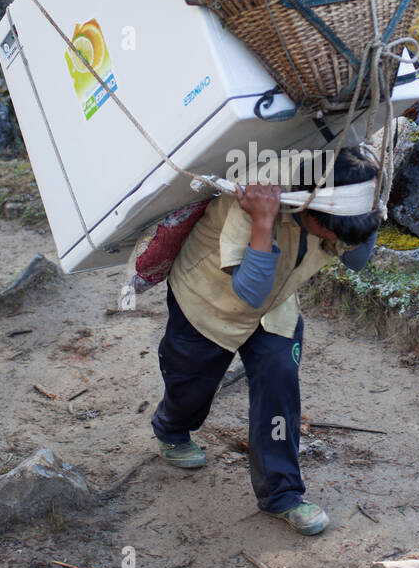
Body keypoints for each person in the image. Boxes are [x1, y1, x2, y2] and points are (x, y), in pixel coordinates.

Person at [150, 146, 383, 535]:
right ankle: (171, 427)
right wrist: (262, 221)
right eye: (329, 232)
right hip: (209, 300)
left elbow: (356, 260)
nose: (336, 240)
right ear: (306, 211)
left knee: (279, 383)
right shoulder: (258, 188)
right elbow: (248, 292)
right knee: (190, 386)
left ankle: (282, 494)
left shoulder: (349, 193)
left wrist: (372, 217)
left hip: (275, 304)